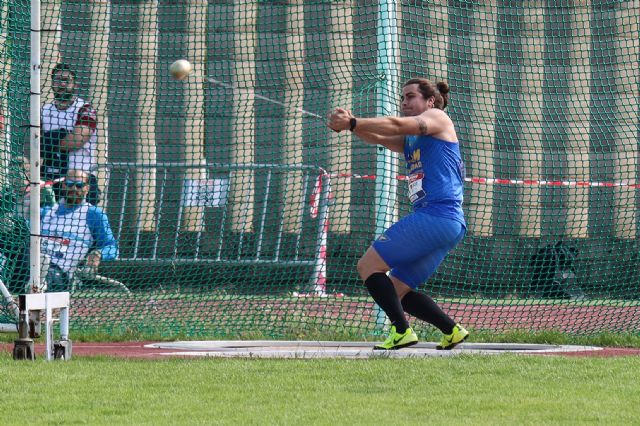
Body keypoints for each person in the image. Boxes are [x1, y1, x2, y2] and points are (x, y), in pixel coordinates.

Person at [328, 78, 469, 350]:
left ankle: (401, 331)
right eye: (403, 98)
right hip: (449, 224)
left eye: (411, 96)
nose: (404, 102)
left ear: (430, 101)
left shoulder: (437, 118)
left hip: (436, 216)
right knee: (395, 290)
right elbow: (379, 136)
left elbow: (394, 125)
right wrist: (348, 127)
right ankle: (452, 331)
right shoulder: (414, 140)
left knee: (368, 266)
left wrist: (354, 121)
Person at [40, 169, 118, 291]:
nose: (74, 189)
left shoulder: (93, 214)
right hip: (30, 265)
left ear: (87, 188)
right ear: (63, 185)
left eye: (79, 185)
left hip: (59, 273)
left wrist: (97, 254)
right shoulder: (45, 213)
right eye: (70, 184)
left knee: (44, 278)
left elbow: (112, 247)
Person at [41, 63, 101, 205]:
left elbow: (76, 140)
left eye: (66, 80)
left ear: (75, 85)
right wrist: (60, 138)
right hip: (51, 176)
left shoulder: (85, 109)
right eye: (57, 80)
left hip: (80, 178)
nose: (61, 84)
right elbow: (34, 145)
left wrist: (48, 142)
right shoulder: (44, 111)